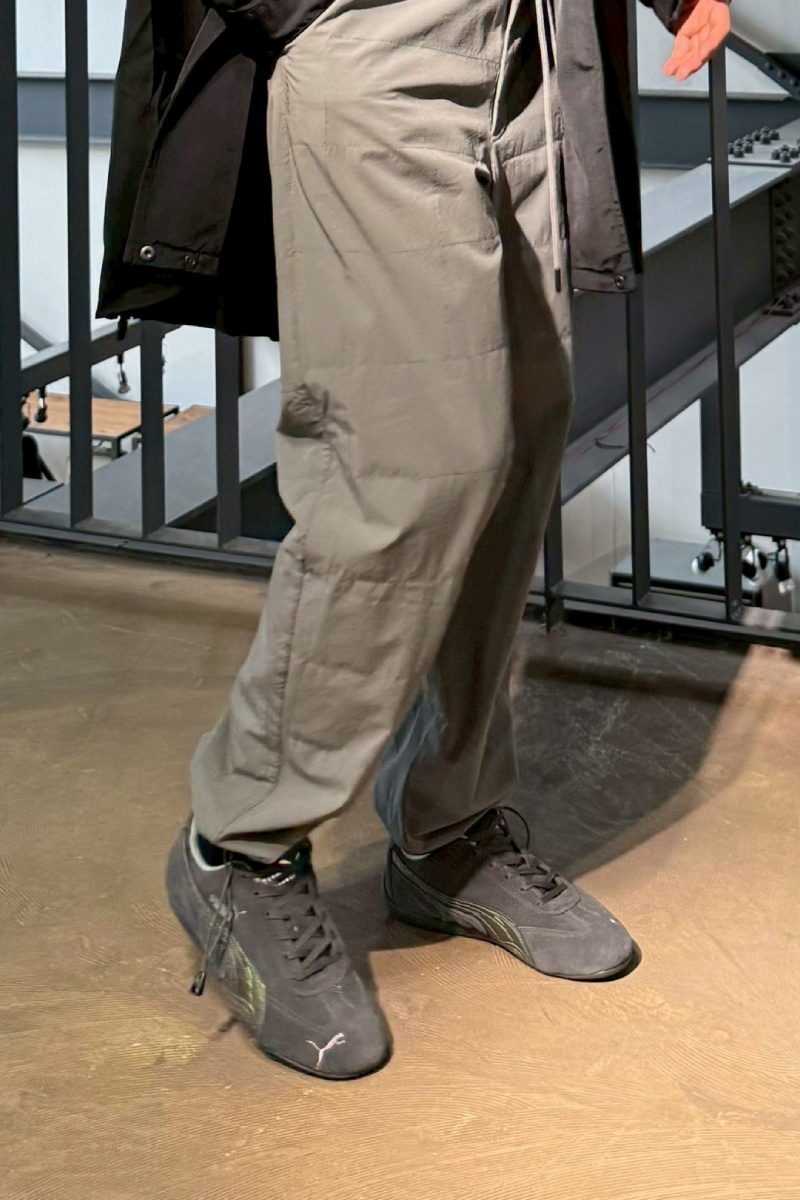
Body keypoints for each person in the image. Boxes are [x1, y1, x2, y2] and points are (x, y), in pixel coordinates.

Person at [98, 0, 731, 1079]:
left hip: (530, 52)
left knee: (517, 445)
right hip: (374, 51)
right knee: (407, 463)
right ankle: (239, 843)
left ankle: (447, 829)